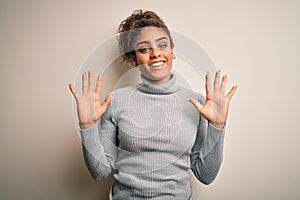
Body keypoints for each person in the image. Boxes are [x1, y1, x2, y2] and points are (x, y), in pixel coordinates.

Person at [68, 9, 237, 200]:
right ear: (134, 58)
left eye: (162, 45)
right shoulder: (115, 101)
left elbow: (205, 176)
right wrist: (87, 126)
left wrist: (218, 126)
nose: (155, 54)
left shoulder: (198, 104)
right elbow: (100, 172)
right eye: (144, 49)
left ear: (172, 52)